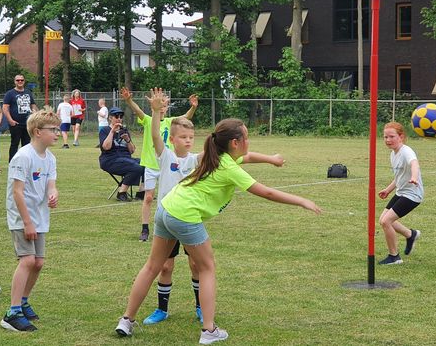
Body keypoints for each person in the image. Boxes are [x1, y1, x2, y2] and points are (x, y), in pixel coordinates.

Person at [114, 118, 321, 345]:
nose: (248, 141)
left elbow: (248, 157)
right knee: (207, 268)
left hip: (166, 208)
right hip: (184, 215)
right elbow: (267, 193)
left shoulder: (216, 155)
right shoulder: (228, 166)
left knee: (153, 266)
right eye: (247, 137)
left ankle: (126, 320)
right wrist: (301, 201)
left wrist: (271, 160)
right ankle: (209, 330)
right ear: (235, 142)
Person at [141, 89, 203, 325]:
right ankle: (162, 310)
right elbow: (155, 134)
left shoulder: (196, 160)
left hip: (189, 220)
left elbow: (218, 155)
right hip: (166, 221)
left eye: (191, 137)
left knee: (196, 264)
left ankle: (200, 306)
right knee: (165, 266)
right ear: (173, 139)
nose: (188, 140)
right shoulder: (165, 156)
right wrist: (156, 111)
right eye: (183, 137)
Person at [0, 108, 60, 332]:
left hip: (39, 216)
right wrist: (26, 222)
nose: (57, 133)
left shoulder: (51, 157)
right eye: (52, 129)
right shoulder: (22, 156)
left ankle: (23, 301)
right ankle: (12, 312)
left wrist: (54, 194)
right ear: (36, 132)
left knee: (38, 262)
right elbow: (17, 192)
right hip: (22, 217)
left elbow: (51, 184)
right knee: (26, 261)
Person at [121, 86, 198, 241]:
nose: (162, 108)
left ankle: (169, 226)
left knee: (168, 196)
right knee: (148, 198)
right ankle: (145, 228)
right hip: (151, 165)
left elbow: (185, 117)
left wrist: (193, 107)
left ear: (167, 107)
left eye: (164, 105)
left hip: (166, 166)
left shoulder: (171, 122)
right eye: (159, 105)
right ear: (153, 106)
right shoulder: (149, 120)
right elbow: (138, 111)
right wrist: (129, 100)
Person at [377, 122, 424, 265]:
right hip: (401, 192)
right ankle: (411, 234)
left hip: (412, 195)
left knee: (386, 222)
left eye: (392, 136)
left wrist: (414, 177)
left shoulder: (406, 151)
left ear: (401, 137)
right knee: (382, 220)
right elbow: (399, 177)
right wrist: (388, 189)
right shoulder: (393, 154)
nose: (388, 140)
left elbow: (414, 164)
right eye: (385, 137)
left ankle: (394, 257)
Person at [98, 107, 144, 201]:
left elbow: (131, 151)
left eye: (121, 116)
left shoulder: (124, 131)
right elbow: (106, 147)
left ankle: (141, 192)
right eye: (116, 116)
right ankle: (121, 193)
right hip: (110, 159)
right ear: (110, 118)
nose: (119, 118)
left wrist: (128, 140)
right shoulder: (105, 130)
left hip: (126, 159)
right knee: (136, 167)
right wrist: (112, 131)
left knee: (146, 164)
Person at [2, 74, 38, 161]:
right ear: (15, 82)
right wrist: (10, 120)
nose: (20, 82)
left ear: (24, 81)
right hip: (16, 123)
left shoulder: (28, 92)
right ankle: (12, 162)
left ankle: (26, 161)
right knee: (15, 143)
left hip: (28, 123)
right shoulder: (10, 94)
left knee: (27, 144)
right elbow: (5, 108)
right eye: (18, 80)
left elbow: (33, 105)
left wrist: (35, 113)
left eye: (22, 80)